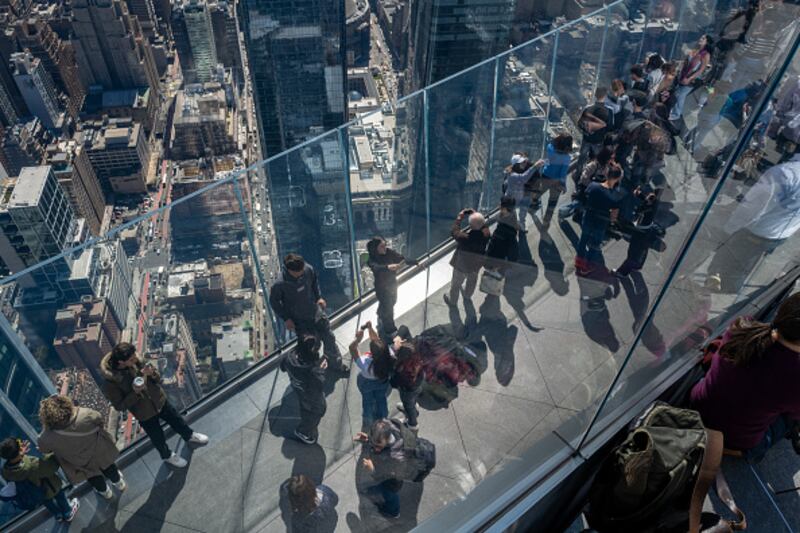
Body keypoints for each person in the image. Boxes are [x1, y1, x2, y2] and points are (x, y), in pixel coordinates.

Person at [691, 292, 800, 462]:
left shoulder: (742, 325)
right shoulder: (795, 381)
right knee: (788, 421)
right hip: (733, 441)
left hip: (697, 405)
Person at [100, 343, 208, 467]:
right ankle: (167, 456)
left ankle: (189, 435)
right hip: (144, 413)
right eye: (131, 359)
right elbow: (119, 406)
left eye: (134, 355)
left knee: (177, 420)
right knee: (158, 438)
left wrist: (152, 373)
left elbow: (158, 379)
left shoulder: (138, 361)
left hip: (159, 400)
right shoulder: (111, 382)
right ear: (121, 362)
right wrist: (135, 393)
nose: (135, 358)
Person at [705, 152, 800, 292]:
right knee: (748, 259)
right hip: (782, 232)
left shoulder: (785, 174)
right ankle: (727, 282)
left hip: (757, 231)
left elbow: (753, 209)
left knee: (735, 259)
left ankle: (726, 286)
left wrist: (729, 230)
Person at [37, 395, 126, 499]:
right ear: (66, 404)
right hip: (99, 451)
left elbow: (45, 450)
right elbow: (99, 420)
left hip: (79, 462)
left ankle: (106, 493)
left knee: (93, 477)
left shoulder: (45, 437)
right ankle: (119, 483)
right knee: (110, 468)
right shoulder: (84, 415)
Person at [270, 253, 347, 373]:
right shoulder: (280, 284)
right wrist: (286, 318)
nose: (302, 272)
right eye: (299, 271)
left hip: (315, 312)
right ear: (290, 270)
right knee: (309, 345)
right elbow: (274, 303)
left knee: (329, 338)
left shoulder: (307, 269)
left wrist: (318, 297)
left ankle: (336, 365)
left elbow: (314, 283)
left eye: (302, 269)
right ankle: (310, 371)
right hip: (299, 320)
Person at [1, 437, 79, 522]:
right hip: (50, 488)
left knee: (48, 504)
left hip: (36, 495)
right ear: (18, 450)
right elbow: (51, 467)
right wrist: (50, 452)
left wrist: (21, 455)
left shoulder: (6, 471)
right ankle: (68, 512)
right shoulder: (32, 465)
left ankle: (58, 515)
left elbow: (18, 470)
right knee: (60, 497)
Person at [354, 419, 421, 518]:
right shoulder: (387, 432)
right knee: (383, 489)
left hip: (392, 483)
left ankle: (394, 512)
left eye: (378, 446)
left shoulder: (396, 457)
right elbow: (378, 439)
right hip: (386, 475)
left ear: (387, 439)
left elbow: (388, 475)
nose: (375, 448)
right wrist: (368, 439)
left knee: (390, 496)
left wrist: (372, 469)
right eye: (374, 443)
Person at [574, 166, 624, 275]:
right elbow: (613, 216)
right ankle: (586, 267)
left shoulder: (593, 186)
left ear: (607, 174)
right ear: (618, 178)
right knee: (595, 244)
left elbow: (586, 197)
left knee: (583, 239)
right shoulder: (615, 195)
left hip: (588, 217)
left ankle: (579, 261)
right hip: (601, 222)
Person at [281, 334, 327, 445]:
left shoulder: (289, 357)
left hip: (298, 388)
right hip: (311, 394)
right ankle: (304, 432)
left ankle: (306, 423)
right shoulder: (311, 372)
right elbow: (319, 384)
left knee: (305, 407)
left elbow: (282, 368)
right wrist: (321, 369)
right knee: (318, 411)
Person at [367, 237, 416, 338]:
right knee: (388, 308)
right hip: (382, 288)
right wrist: (388, 267)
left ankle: (380, 313)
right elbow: (376, 268)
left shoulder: (388, 252)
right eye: (382, 246)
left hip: (392, 284)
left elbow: (401, 258)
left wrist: (415, 262)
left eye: (385, 245)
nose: (385, 247)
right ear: (376, 248)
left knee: (392, 302)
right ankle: (390, 330)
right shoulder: (372, 259)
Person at [350, 322, 394, 430]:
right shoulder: (390, 356)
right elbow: (377, 341)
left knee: (367, 402)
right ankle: (383, 419)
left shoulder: (366, 362)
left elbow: (352, 348)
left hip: (367, 384)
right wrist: (370, 328)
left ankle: (368, 423)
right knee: (381, 399)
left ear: (372, 353)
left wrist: (358, 339)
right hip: (383, 382)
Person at [444, 209, 490, 307]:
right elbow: (483, 224)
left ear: (471, 226)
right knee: (472, 281)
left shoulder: (465, 238)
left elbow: (454, 231)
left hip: (461, 266)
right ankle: (467, 295)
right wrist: (475, 214)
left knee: (456, 284)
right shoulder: (486, 234)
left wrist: (459, 218)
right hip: (475, 265)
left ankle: (453, 301)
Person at [531, 133, 573, 226]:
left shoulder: (550, 148)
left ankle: (532, 205)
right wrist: (563, 185)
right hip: (556, 182)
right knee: (552, 202)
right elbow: (563, 174)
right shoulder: (566, 158)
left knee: (539, 192)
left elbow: (548, 159)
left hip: (546, 175)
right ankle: (546, 221)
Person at [669, 35, 713, 121]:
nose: (700, 39)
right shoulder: (695, 50)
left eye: (703, 38)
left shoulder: (706, 54)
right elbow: (686, 62)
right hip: (683, 75)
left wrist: (690, 78)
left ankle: (677, 114)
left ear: (707, 42)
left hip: (692, 79)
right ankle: (675, 111)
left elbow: (701, 69)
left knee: (681, 95)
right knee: (677, 93)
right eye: (701, 37)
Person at [391, 326, 423, 430]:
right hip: (419, 383)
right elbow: (404, 328)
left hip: (408, 390)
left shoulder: (403, 370)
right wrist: (398, 338)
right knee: (412, 400)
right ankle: (413, 405)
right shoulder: (415, 350)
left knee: (409, 406)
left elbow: (394, 383)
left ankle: (412, 424)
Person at [575, 87, 611, 178]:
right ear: (605, 96)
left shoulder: (588, 108)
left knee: (581, 159)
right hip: (598, 141)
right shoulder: (609, 111)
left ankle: (578, 175)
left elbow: (579, 123)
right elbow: (610, 127)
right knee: (598, 160)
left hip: (586, 139)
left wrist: (588, 131)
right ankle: (593, 176)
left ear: (595, 95)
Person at [485, 196, 520, 273]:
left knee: (494, 260)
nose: (499, 206)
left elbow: (512, 246)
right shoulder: (508, 214)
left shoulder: (509, 228)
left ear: (506, 209)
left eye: (501, 206)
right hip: (497, 243)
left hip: (500, 246)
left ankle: (495, 269)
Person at [503, 153, 535, 231]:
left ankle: (521, 223)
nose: (524, 163)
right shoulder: (512, 175)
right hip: (514, 197)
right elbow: (523, 178)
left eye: (524, 161)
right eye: (522, 162)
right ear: (516, 165)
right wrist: (535, 167)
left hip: (523, 194)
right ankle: (515, 224)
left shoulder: (524, 167)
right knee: (512, 213)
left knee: (523, 211)